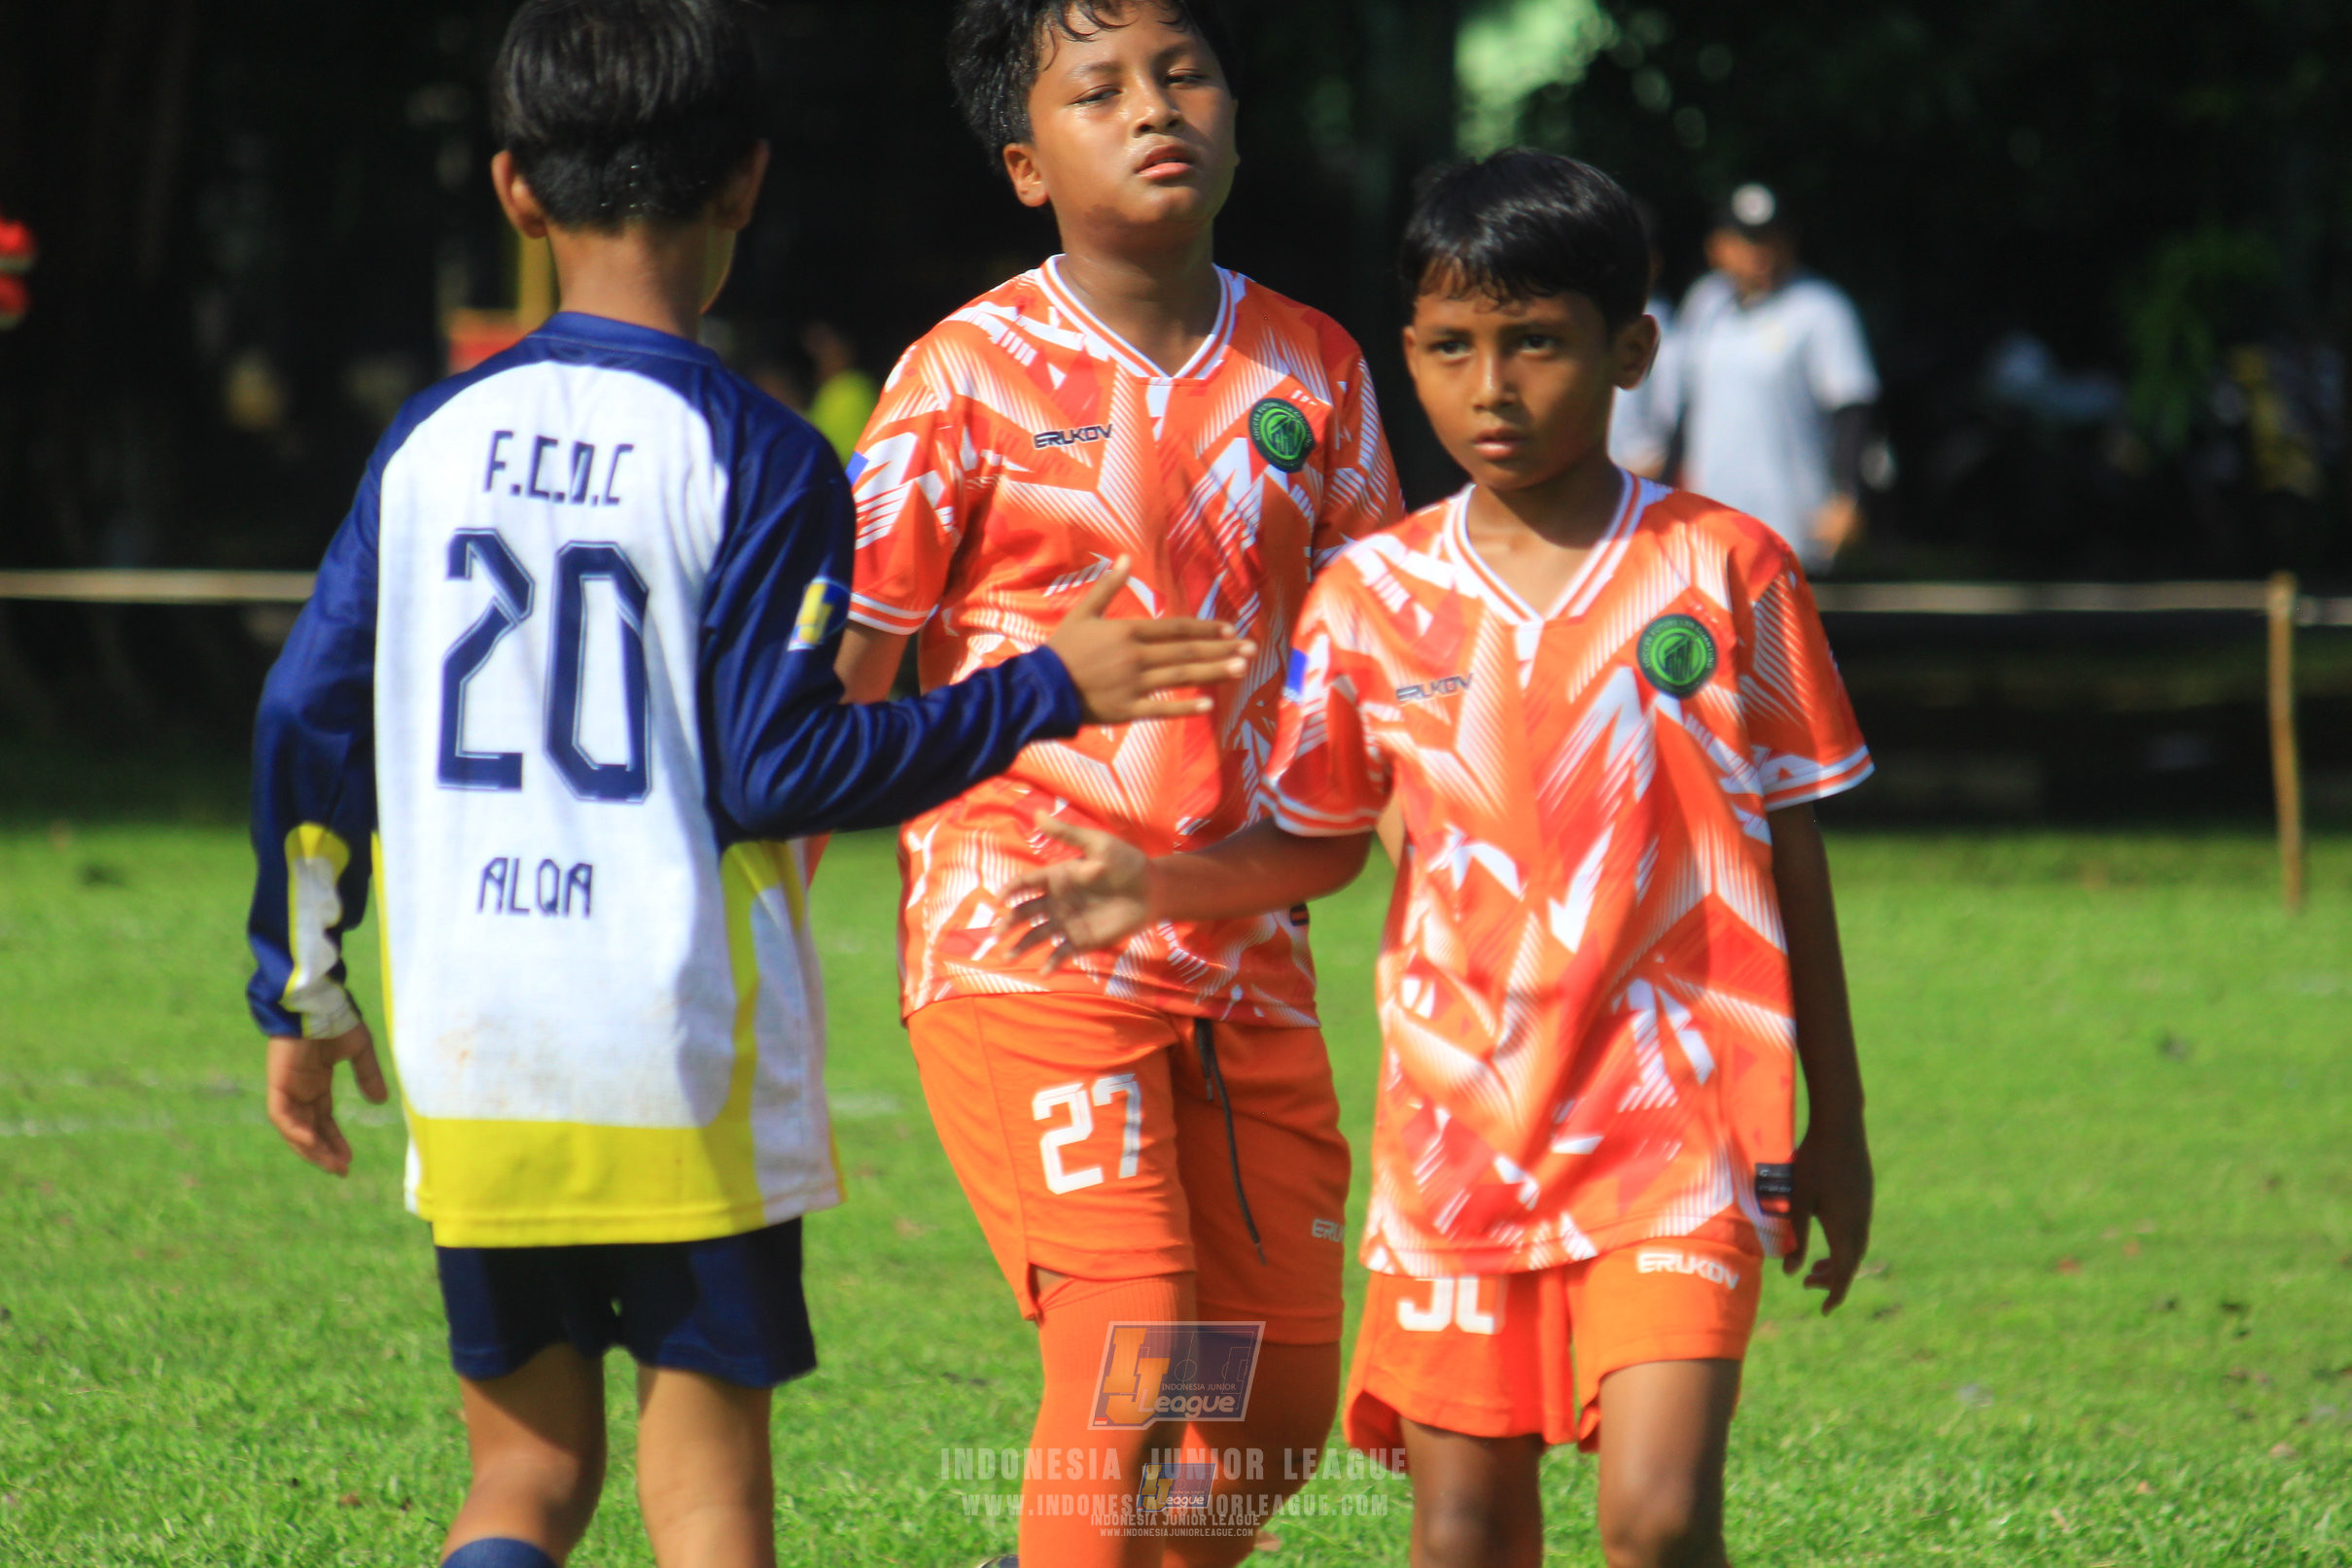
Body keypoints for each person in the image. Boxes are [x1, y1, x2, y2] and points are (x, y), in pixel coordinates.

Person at [243, 5, 1249, 1566]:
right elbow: (778, 770)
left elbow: (305, 718)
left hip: (473, 1038)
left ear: (515, 190)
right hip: (675, 1042)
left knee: (523, 1482)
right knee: (706, 1501)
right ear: (745, 183)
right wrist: (1046, 686)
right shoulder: (761, 457)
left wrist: (302, 989)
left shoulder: (430, 443)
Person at [1003, 150, 1877, 1568]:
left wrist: (1833, 1120)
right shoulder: (1371, 597)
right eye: (1451, 348)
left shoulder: (1728, 568)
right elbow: (1314, 841)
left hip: (1679, 1131)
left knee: (1657, 1518)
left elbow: (1793, 852)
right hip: (1458, 1142)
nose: (1492, 387)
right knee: (1461, 1533)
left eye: (1535, 342)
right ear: (1406, 354)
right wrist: (1152, 882)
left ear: (1630, 350)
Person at [835, 2, 1404, 1562]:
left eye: (1182, 73)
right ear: (1024, 164)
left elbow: (1382, 666)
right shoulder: (961, 375)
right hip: (1023, 935)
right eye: (1097, 91)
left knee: (1267, 1412)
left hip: (1243, 950)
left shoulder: (1315, 365)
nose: (1154, 108)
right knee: (1133, 1341)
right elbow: (847, 684)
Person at [1666, 182, 1878, 573]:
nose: (1760, 252)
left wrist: (1848, 497)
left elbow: (1851, 407)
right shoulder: (1705, 303)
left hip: (1792, 526)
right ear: (1718, 246)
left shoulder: (1820, 308)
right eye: (1748, 240)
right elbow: (1688, 407)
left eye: (1770, 239)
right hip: (1708, 525)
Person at [1605, 195, 1674, 479]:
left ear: (1653, 262)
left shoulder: (1669, 332)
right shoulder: (1587, 320)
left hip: (1638, 477)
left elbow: (1669, 424)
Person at [802, 319, 879, 466]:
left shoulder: (853, 388)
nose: (815, 353)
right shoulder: (824, 394)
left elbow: (861, 456)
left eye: (821, 343)